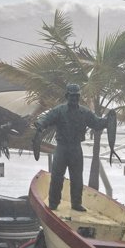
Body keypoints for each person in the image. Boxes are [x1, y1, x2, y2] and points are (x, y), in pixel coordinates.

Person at [34, 84, 110, 212]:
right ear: (67, 96)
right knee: (57, 177)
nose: (74, 98)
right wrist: (40, 124)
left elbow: (96, 123)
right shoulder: (59, 110)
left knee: (77, 178)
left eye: (76, 96)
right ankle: (53, 203)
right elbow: (46, 118)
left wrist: (108, 120)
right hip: (62, 148)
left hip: (76, 148)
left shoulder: (84, 112)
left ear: (79, 97)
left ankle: (76, 203)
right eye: (72, 96)